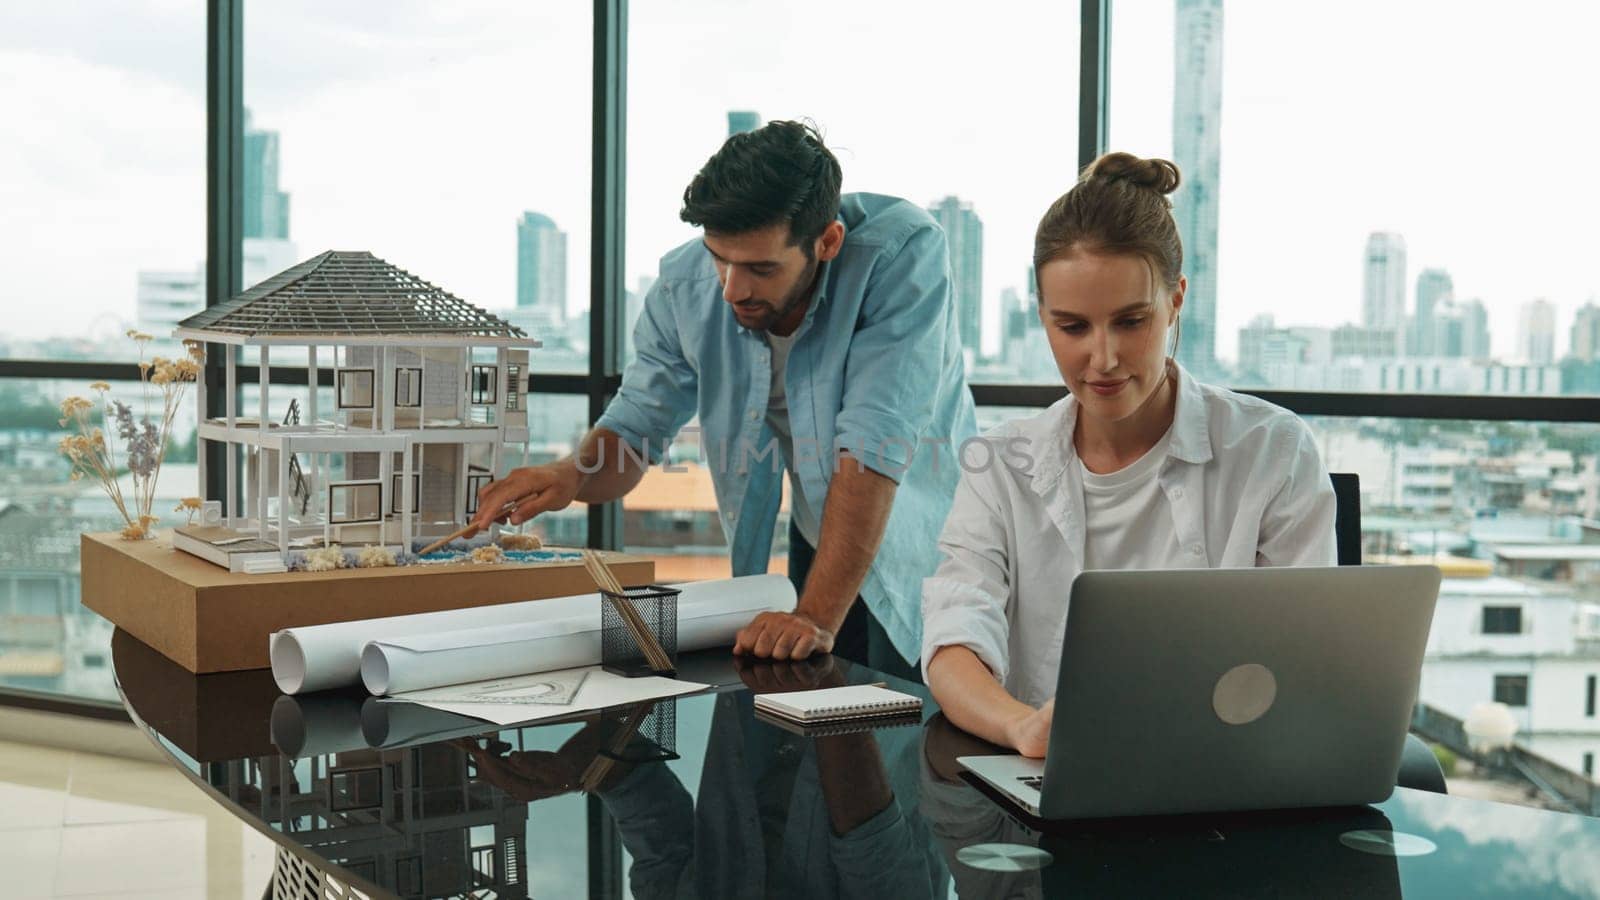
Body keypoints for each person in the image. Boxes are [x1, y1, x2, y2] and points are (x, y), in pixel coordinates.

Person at [472, 121, 975, 677]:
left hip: (925, 534)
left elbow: (871, 448)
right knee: (824, 730)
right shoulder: (684, 285)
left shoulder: (900, 253)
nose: (732, 289)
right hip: (826, 525)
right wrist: (572, 475)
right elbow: (638, 424)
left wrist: (814, 616)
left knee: (914, 731)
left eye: (761, 268)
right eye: (719, 257)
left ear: (827, 242)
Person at [920, 152, 1336, 756]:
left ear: (1176, 302)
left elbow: (1307, 653)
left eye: (1131, 321)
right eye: (1073, 327)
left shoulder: (1272, 448)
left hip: (1229, 769)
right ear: (1041, 317)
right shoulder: (999, 464)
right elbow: (955, 635)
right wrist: (1020, 727)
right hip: (1042, 777)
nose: (1104, 358)